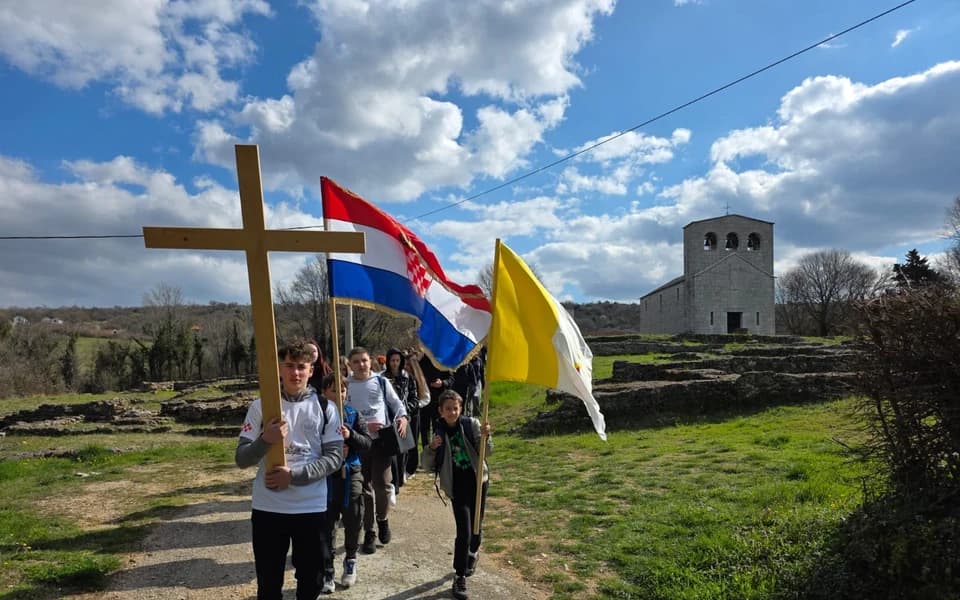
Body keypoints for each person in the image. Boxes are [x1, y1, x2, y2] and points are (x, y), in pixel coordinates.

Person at [235, 340, 343, 600]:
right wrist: (266, 440)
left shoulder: (327, 408)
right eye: (290, 366)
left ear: (311, 370)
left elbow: (335, 458)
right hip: (269, 508)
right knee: (269, 583)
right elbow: (241, 458)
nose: (295, 373)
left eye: (301, 367)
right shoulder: (260, 407)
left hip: (311, 509)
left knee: (311, 581)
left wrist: (293, 476)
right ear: (280, 370)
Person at [422, 390, 492, 600]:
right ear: (440, 411)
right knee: (464, 531)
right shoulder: (439, 433)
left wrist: (486, 437)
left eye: (456, 408)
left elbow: (487, 452)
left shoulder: (471, 425)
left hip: (478, 482)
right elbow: (426, 465)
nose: (452, 412)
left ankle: (473, 552)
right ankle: (460, 575)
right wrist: (431, 448)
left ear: (460, 408)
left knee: (477, 525)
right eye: (448, 409)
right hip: (457, 487)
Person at [345, 346, 408, 555]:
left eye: (364, 360)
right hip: (360, 443)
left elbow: (396, 404)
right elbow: (342, 413)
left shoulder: (381, 381)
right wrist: (362, 425)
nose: (361, 365)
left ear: (370, 361)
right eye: (356, 362)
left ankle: (383, 519)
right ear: (350, 364)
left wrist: (403, 418)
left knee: (382, 485)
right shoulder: (346, 385)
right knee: (365, 489)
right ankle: (369, 531)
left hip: (382, 442)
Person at [319, 372, 371, 592]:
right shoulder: (316, 416)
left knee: (353, 517)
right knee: (327, 524)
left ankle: (350, 560)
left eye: (341, 390)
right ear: (324, 393)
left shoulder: (353, 415)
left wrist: (351, 437)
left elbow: (367, 443)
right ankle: (327, 571)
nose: (338, 394)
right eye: (333, 390)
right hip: (326, 476)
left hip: (351, 472)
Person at [384, 348, 418, 486]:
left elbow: (414, 397)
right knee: (392, 449)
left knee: (404, 448)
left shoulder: (407, 377)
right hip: (388, 417)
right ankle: (394, 479)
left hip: (404, 416)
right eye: (392, 360)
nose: (395, 363)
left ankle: (402, 472)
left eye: (397, 360)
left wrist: (406, 410)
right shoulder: (382, 378)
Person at [418, 352, 453, 452]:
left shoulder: (442, 360)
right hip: (423, 400)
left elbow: (451, 379)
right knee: (424, 429)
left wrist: (442, 383)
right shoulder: (421, 361)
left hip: (439, 401)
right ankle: (427, 452)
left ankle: (438, 452)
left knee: (438, 427)